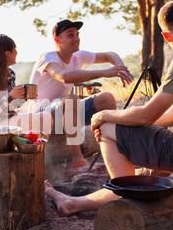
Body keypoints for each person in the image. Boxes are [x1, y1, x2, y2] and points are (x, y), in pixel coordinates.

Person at [46, 1, 173, 216]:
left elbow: (147, 115)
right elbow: (169, 116)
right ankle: (75, 203)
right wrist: (130, 127)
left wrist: (104, 116)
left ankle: (124, 196)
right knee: (145, 169)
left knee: (106, 127)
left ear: (166, 37)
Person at [29, 19, 133, 171]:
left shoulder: (78, 56)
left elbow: (109, 55)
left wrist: (121, 68)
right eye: (70, 35)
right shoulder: (48, 58)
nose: (76, 38)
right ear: (57, 40)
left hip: (64, 111)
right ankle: (78, 160)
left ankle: (112, 150)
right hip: (41, 115)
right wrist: (104, 72)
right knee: (71, 99)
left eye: (77, 34)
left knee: (107, 98)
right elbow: (64, 76)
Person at [0, 34, 52, 132]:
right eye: (15, 49)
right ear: (7, 53)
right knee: (44, 118)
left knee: (47, 111)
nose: (17, 52)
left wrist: (23, 97)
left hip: (7, 121)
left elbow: (10, 108)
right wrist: (11, 96)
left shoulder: (10, 74)